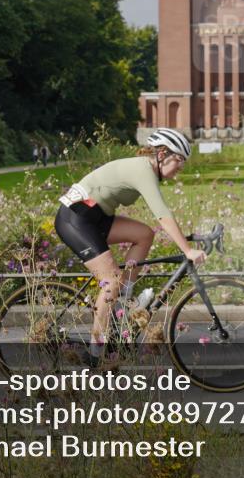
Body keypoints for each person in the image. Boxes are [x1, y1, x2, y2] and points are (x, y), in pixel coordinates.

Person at [54, 128, 205, 363]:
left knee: (144, 235)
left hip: (96, 217)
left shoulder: (147, 169)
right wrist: (187, 250)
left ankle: (124, 302)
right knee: (111, 281)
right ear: (162, 154)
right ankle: (96, 354)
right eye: (179, 160)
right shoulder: (143, 170)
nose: (181, 167)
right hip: (75, 219)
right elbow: (162, 215)